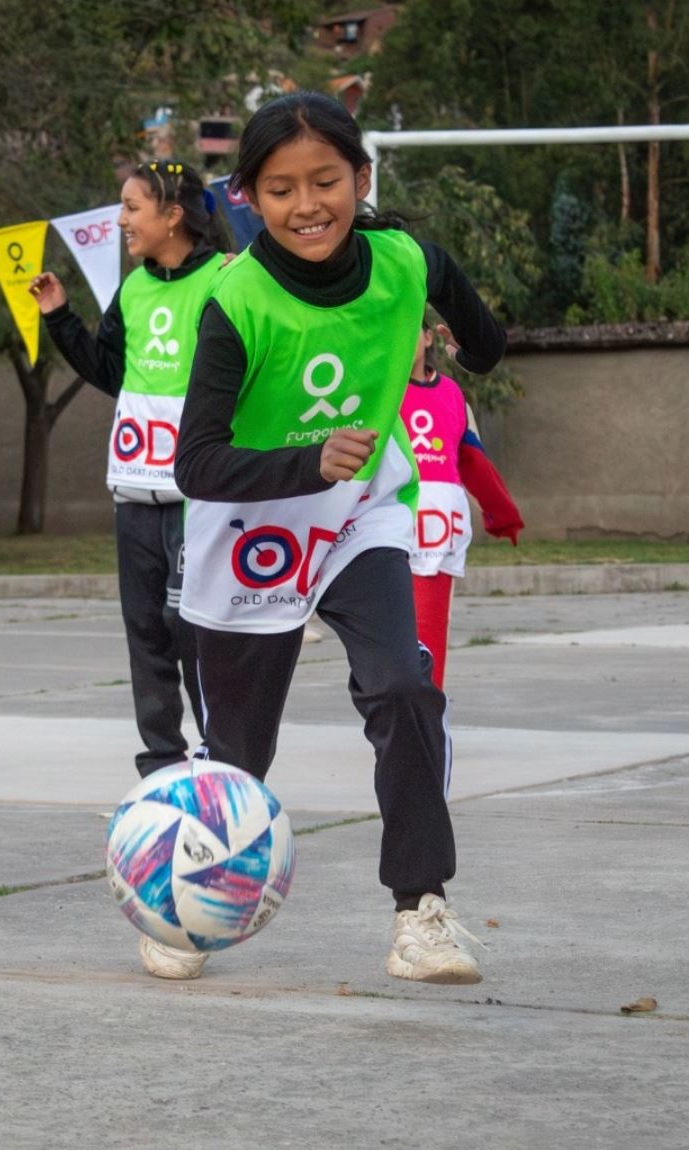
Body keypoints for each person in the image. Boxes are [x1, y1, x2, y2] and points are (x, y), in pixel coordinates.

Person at [171, 92, 507, 984]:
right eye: (281, 188)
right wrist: (306, 462)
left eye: (327, 180)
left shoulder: (404, 260)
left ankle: (421, 910)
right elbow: (194, 465)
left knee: (404, 683)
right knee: (239, 753)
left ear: (362, 178)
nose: (307, 203)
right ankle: (186, 904)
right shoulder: (233, 300)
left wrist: (454, 318)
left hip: (360, 510)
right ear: (248, 197)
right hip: (250, 525)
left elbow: (489, 343)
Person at [31, 161, 225, 776]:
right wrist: (61, 317)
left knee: (188, 624)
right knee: (146, 629)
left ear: (173, 215)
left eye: (131, 207)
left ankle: (220, 756)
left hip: (199, 494)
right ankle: (160, 766)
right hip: (135, 490)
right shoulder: (136, 288)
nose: (120, 220)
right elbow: (111, 371)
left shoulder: (227, 279)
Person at [402, 319, 522, 688]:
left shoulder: (453, 395)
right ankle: (393, 715)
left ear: (426, 337)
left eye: (408, 328)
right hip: (392, 517)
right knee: (389, 630)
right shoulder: (378, 391)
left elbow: (472, 460)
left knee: (429, 627)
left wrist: (501, 512)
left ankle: (427, 717)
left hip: (439, 525)